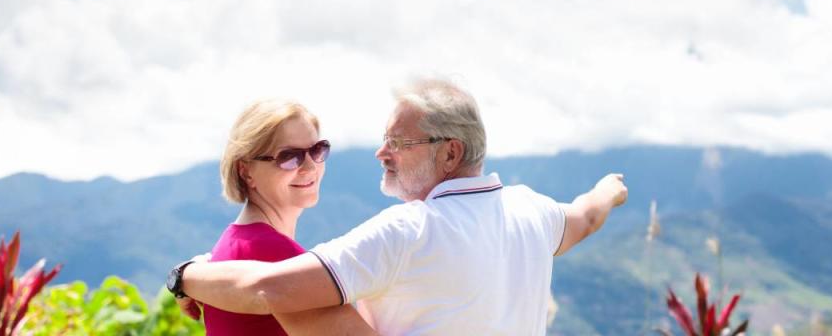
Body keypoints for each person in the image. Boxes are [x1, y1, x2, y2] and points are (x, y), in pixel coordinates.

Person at [170, 79, 628, 335]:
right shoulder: (532, 210)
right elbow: (586, 216)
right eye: (291, 155)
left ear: (449, 153)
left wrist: (187, 274)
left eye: (398, 142)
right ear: (246, 168)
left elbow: (267, 289)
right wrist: (609, 189)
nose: (381, 153)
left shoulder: (405, 233)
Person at [167, 99, 376, 335]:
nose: (309, 167)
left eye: (317, 150)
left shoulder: (236, 242)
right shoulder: (273, 253)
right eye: (289, 157)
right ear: (245, 171)